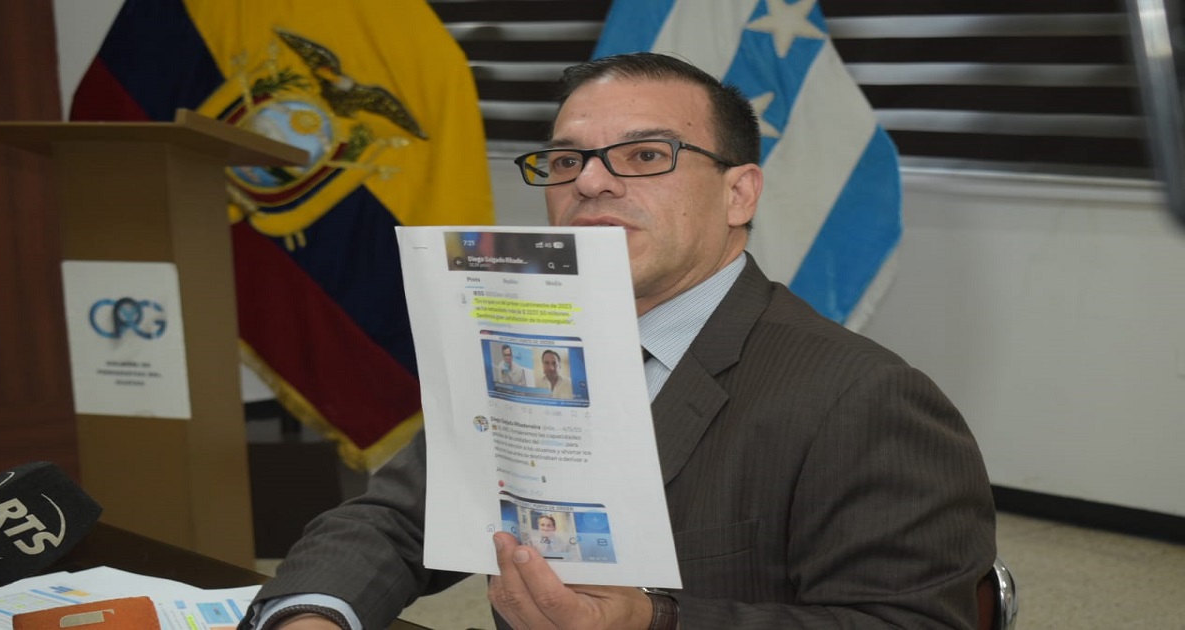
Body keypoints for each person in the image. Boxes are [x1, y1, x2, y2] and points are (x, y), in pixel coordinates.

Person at [240, 52, 995, 630]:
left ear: (739, 193)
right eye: (567, 160)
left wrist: (654, 622)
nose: (591, 184)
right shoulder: (522, 342)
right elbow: (394, 518)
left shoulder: (867, 398)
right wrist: (313, 615)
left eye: (645, 155)